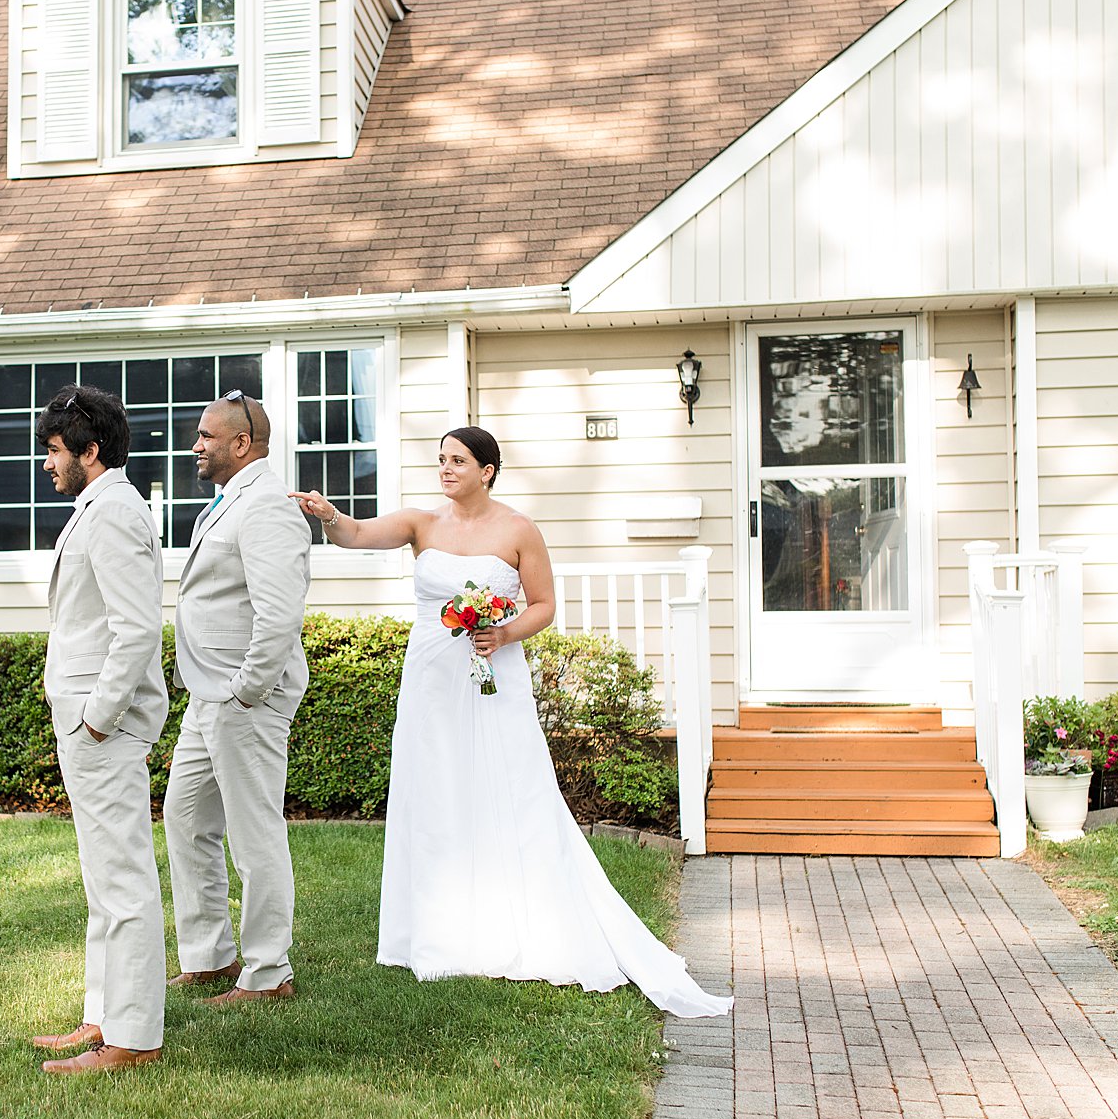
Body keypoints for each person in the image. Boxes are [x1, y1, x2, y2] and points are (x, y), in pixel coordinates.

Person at [291, 427, 732, 1017]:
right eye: (442, 460)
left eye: (458, 460)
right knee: (437, 788)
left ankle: (516, 920)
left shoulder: (518, 530)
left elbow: (544, 604)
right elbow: (356, 535)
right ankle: (437, 926)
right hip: (430, 680)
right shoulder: (422, 523)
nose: (446, 469)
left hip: (494, 676)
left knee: (507, 785)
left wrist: (502, 633)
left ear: (488, 470)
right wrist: (328, 515)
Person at [29, 386, 172, 1073]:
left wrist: (97, 717)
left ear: (91, 451)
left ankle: (135, 1036)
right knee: (101, 877)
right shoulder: (100, 506)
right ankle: (102, 1015)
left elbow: (138, 626)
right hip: (87, 724)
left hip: (103, 729)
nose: (47, 465)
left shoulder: (113, 512)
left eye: (55, 451)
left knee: (124, 879)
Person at [166, 392, 312, 1005]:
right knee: (186, 817)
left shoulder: (269, 509)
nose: (195, 446)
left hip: (242, 699)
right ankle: (210, 955)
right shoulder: (226, 503)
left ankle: (268, 971)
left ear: (241, 444)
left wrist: (245, 691)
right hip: (209, 697)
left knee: (254, 834)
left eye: (205, 436)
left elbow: (279, 616)